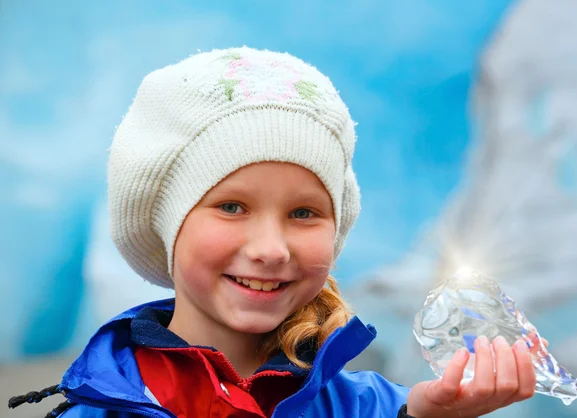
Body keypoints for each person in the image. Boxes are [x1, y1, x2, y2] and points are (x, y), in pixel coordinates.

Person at [8, 47, 538, 418]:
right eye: (232, 206)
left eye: (305, 213)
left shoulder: (379, 409)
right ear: (168, 226)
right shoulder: (102, 408)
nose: (271, 249)